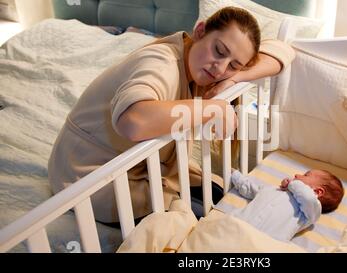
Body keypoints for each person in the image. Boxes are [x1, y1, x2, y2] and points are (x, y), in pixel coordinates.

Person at [47, 7, 296, 224]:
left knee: (218, 193)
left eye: (233, 64)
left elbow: (284, 51)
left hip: (139, 167)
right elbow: (133, 121)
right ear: (200, 30)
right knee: (198, 220)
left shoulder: (204, 66)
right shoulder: (162, 62)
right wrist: (214, 108)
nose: (220, 68)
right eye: (219, 51)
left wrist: (235, 77)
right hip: (86, 175)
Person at [229, 169, 344, 242]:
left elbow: (307, 196)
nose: (297, 174)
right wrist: (235, 175)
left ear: (317, 192)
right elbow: (251, 189)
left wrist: (292, 184)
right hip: (237, 225)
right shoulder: (274, 189)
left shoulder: (311, 211)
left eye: (306, 174)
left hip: (265, 242)